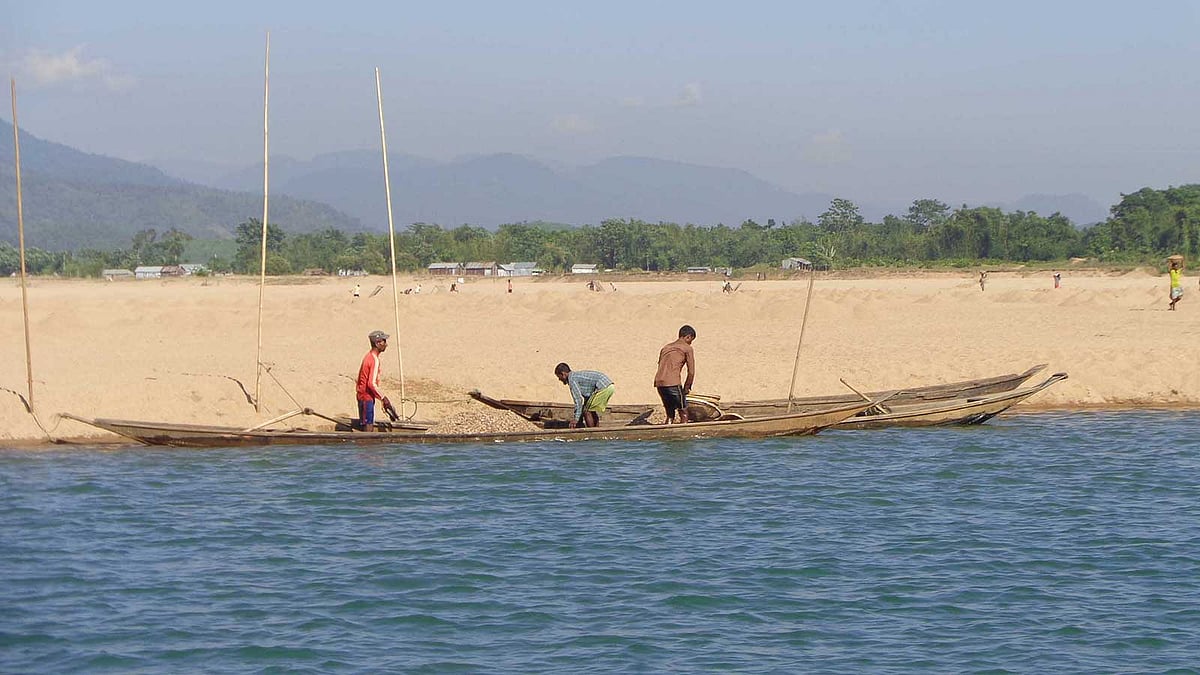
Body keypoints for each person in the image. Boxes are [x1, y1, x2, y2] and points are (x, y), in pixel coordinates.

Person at [355, 330, 398, 430]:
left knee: (365, 423)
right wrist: (384, 398)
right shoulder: (374, 360)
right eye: (384, 341)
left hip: (362, 394)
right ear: (377, 343)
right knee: (368, 424)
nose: (386, 345)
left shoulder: (368, 356)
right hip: (366, 397)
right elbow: (371, 383)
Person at [654, 325, 696, 424]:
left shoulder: (666, 347)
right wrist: (687, 387)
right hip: (673, 383)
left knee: (670, 413)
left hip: (659, 383)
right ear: (688, 337)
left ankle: (668, 433)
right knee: (683, 411)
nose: (691, 343)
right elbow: (691, 371)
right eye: (691, 340)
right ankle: (684, 435)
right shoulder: (687, 348)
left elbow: (660, 364)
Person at [554, 363, 615, 428]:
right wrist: (579, 419)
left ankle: (592, 433)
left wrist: (576, 419)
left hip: (603, 387)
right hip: (609, 386)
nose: (559, 379)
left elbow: (578, 400)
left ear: (563, 374)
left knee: (586, 411)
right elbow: (587, 396)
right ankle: (596, 430)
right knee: (590, 409)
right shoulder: (575, 376)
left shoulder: (572, 380)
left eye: (559, 377)